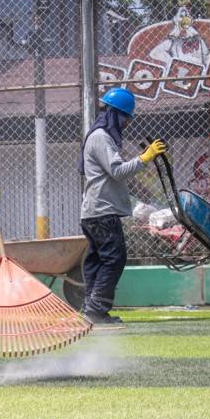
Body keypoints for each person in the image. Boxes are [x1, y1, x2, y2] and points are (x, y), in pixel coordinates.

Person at [79, 87, 167, 324]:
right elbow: (117, 171)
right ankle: (96, 310)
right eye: (125, 117)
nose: (127, 123)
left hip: (94, 212)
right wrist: (145, 158)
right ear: (115, 114)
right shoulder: (101, 137)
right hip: (102, 212)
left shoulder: (98, 136)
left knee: (98, 260)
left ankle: (91, 307)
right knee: (114, 258)